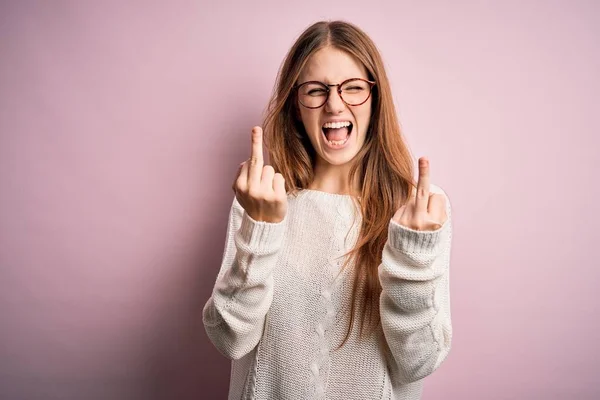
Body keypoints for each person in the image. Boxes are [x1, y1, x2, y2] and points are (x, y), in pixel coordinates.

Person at [202, 20, 453, 400]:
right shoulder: (263, 199)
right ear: (296, 106)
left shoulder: (418, 208)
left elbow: (419, 362)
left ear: (376, 98)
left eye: (353, 88)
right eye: (316, 91)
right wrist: (260, 230)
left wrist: (413, 258)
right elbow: (229, 339)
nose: (335, 104)